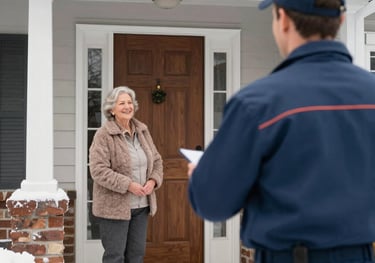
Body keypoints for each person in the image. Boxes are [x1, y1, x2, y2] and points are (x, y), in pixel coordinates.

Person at [187, 0, 375, 262]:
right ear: (341, 21)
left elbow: (213, 202)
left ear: (283, 19)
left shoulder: (258, 103)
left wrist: (201, 176)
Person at [89, 86, 163, 263]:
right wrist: (128, 185)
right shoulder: (103, 135)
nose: (127, 106)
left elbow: (157, 160)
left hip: (141, 206)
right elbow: (98, 170)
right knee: (115, 257)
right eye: (121, 103)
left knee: (136, 256)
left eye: (130, 102)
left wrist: (153, 181)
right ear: (112, 109)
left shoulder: (142, 132)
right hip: (114, 209)